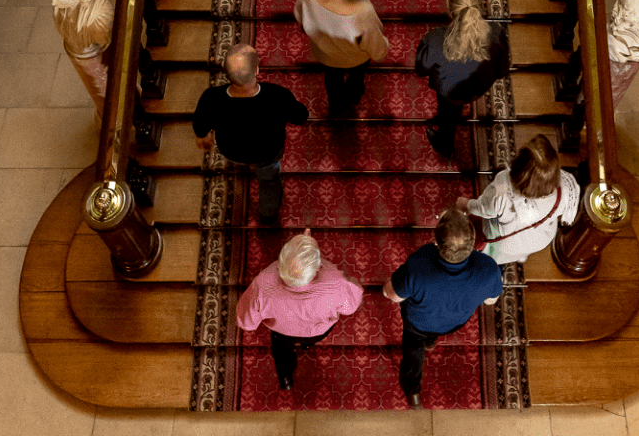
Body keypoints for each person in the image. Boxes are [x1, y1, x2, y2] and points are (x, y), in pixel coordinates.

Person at [382, 207, 503, 409]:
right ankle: (431, 342)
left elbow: (391, 295)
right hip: (454, 321)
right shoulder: (489, 268)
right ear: (473, 240)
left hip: (417, 323)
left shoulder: (420, 262)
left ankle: (412, 391)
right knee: (434, 329)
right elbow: (491, 301)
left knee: (413, 349)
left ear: (435, 240)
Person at [192, 43, 308, 224]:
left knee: (250, 164)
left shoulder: (211, 98)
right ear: (257, 70)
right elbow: (300, 116)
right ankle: (268, 215)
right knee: (268, 181)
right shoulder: (277, 96)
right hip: (267, 153)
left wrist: (202, 135)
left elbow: (200, 124)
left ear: (224, 69)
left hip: (231, 151)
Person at [236, 228, 364, 390]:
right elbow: (350, 307)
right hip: (318, 332)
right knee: (310, 340)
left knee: (282, 353)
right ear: (317, 268)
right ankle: (307, 345)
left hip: (282, 334)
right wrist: (351, 281)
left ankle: (285, 377)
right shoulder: (335, 282)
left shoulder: (262, 284)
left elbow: (247, 323)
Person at [414, 0, 510, 159]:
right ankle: (458, 110)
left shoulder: (437, 39)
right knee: (455, 106)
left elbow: (421, 68)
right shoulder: (496, 32)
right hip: (477, 89)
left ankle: (445, 144)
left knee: (446, 115)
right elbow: (502, 69)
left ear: (452, 14)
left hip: (450, 93)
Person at [456, 135, 580, 266]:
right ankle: (512, 259)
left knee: (496, 250)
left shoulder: (502, 190)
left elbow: (484, 209)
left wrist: (465, 204)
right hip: (537, 238)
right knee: (513, 252)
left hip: (505, 241)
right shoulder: (564, 191)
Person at [294, 0, 388, 116]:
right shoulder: (362, 9)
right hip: (356, 58)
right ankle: (354, 94)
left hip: (326, 54)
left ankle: (335, 105)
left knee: (331, 79)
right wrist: (382, 49)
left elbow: (300, 15)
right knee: (357, 78)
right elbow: (376, 47)